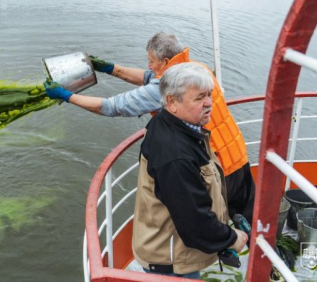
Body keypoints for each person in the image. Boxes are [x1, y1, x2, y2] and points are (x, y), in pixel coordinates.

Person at [44, 32, 255, 222]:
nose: (148, 65)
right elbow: (149, 78)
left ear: (165, 61)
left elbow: (112, 107)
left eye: (151, 61)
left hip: (219, 169)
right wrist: (110, 69)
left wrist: (68, 96)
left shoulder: (170, 87)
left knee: (216, 219)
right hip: (237, 155)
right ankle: (265, 250)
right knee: (249, 216)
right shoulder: (197, 67)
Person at [132, 62, 248, 278]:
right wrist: (232, 238)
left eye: (209, 95)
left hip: (174, 250)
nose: (209, 104)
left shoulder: (180, 127)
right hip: (169, 261)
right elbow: (193, 219)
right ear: (171, 102)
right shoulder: (174, 154)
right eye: (199, 98)